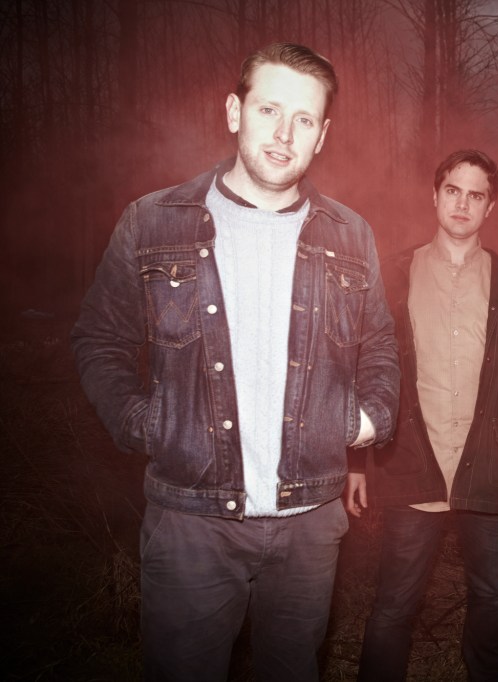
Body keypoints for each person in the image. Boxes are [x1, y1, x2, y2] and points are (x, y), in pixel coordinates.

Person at [70, 43, 399, 681]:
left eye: (304, 119)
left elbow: (380, 343)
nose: (284, 134)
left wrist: (369, 418)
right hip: (190, 523)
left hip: (309, 524)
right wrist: (143, 421)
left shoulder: (351, 235)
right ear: (233, 111)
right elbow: (99, 339)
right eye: (269, 109)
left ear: (323, 135)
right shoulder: (154, 222)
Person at [345, 149, 498, 681]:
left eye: (476, 195)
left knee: (490, 596)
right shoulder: (392, 275)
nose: (463, 203)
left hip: (489, 467)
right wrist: (355, 462)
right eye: (453, 190)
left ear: (490, 207)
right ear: (435, 196)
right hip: (413, 463)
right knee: (394, 603)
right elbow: (365, 372)